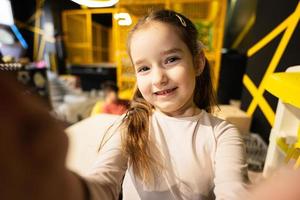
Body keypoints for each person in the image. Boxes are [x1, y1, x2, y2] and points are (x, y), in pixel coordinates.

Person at [0, 10, 251, 200]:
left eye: (171, 59)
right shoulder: (131, 124)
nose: (158, 78)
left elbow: (234, 191)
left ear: (197, 63)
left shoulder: (222, 135)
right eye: (144, 68)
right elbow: (103, 180)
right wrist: (61, 187)